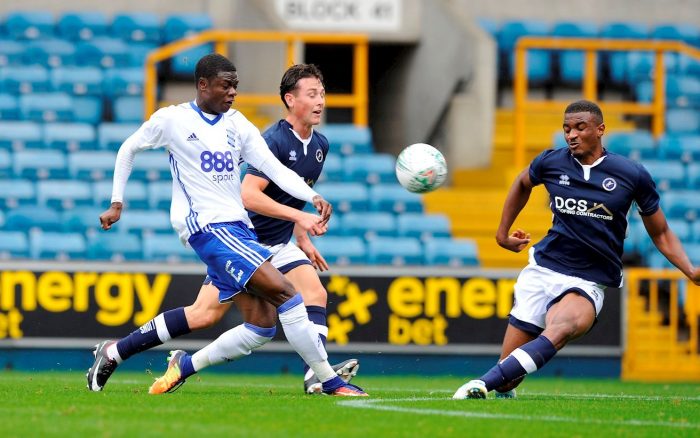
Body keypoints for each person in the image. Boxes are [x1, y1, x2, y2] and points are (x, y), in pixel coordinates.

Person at [87, 53, 367, 397]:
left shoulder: (238, 124)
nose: (233, 91)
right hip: (207, 227)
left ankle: (115, 352)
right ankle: (328, 380)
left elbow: (274, 170)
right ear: (203, 85)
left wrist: (312, 197)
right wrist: (117, 202)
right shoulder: (173, 119)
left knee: (258, 325)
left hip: (239, 230)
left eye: (235, 85)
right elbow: (128, 149)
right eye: (225, 85)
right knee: (287, 294)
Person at [453, 100, 700, 400]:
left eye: (580, 127)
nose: (571, 134)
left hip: (588, 279)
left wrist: (688, 269)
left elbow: (660, 232)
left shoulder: (631, 174)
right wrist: (502, 234)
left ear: (600, 129)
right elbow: (521, 182)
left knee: (563, 327)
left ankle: (480, 384)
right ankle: (499, 382)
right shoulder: (551, 162)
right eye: (567, 128)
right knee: (509, 380)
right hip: (543, 269)